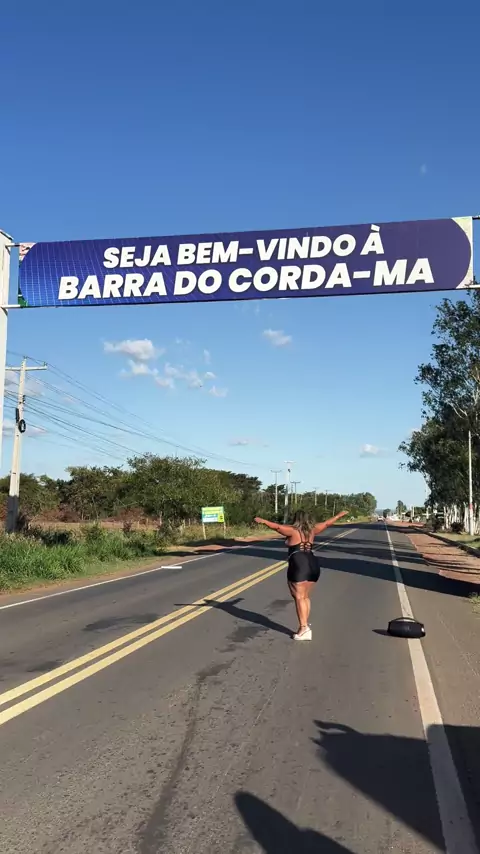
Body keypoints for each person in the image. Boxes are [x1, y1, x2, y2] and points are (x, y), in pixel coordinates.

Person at [254, 509, 347, 640]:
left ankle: (304, 628)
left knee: (299, 597)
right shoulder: (313, 530)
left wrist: (263, 521)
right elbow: (327, 523)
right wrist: (338, 515)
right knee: (305, 596)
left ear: (296, 519)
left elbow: (277, 527)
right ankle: (305, 626)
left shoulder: (292, 530)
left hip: (299, 564)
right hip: (313, 563)